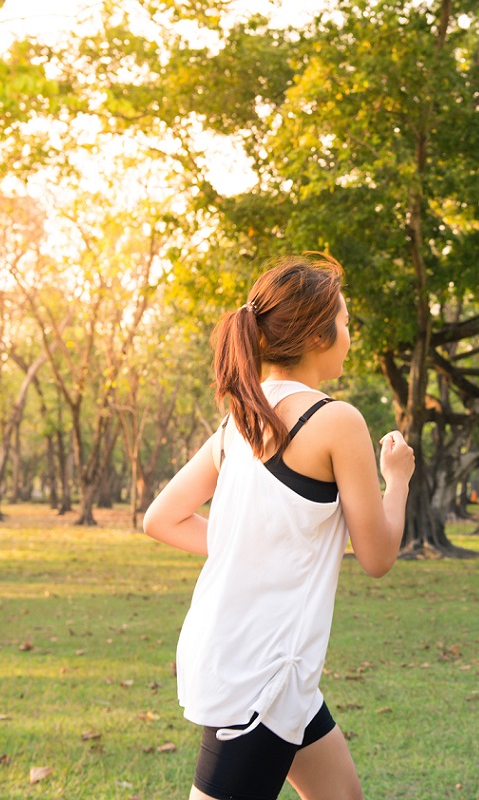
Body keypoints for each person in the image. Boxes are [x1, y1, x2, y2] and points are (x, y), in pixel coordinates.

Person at [143, 253, 415, 800]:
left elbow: (162, 518)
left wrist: (248, 548)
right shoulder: (336, 421)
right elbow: (379, 556)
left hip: (272, 668)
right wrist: (398, 478)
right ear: (317, 334)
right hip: (259, 676)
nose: (348, 336)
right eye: (344, 323)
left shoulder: (239, 420)